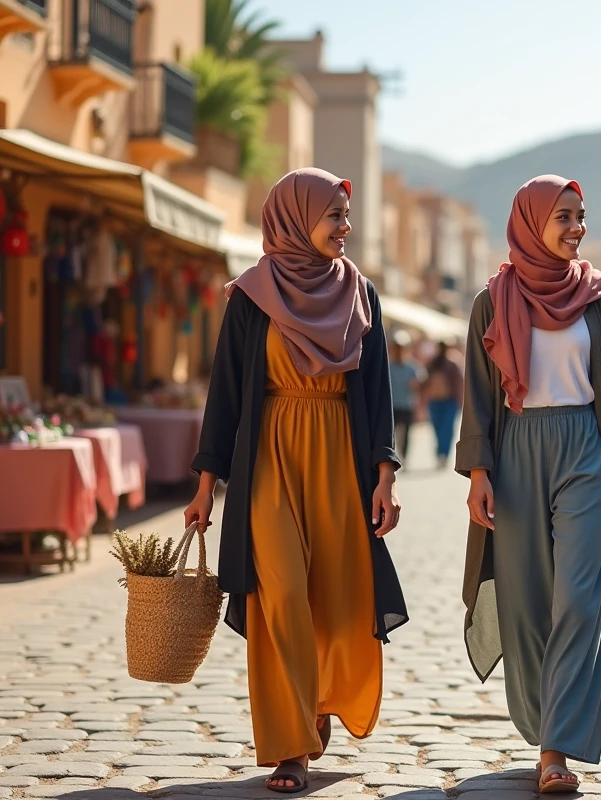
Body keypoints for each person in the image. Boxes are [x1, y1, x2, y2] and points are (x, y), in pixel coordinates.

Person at [184, 169, 408, 793]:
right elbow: (225, 395)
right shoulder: (251, 298)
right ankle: (290, 746)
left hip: (339, 452)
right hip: (270, 459)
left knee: (335, 597)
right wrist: (206, 485)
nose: (346, 227)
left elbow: (379, 391)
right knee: (279, 596)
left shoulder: (361, 292)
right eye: (333, 215)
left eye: (346, 215)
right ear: (295, 217)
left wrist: (384, 476)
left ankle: (315, 702)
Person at [456, 175, 601, 794]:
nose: (575, 227)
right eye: (562, 216)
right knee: (527, 600)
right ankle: (544, 722)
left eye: (580, 216)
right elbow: (479, 397)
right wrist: (479, 472)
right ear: (531, 221)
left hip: (586, 452)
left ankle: (556, 747)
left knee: (579, 600)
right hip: (516, 453)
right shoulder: (493, 299)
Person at [422, 341, 463, 468]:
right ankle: (441, 453)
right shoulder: (433, 364)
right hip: (436, 401)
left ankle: (443, 454)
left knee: (446, 429)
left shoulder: (452, 363)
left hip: (448, 400)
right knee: (439, 429)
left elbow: (458, 382)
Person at [388, 331, 425, 464]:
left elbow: (419, 387)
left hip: (407, 405)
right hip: (391, 405)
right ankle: (392, 456)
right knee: (391, 434)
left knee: (406, 433)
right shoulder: (388, 366)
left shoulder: (412, 366)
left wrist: (420, 407)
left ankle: (404, 455)